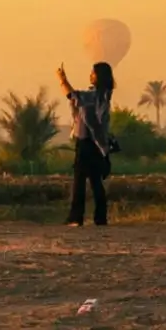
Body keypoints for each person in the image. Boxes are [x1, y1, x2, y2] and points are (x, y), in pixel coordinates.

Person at [56, 60, 115, 226]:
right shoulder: (104, 95)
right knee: (96, 181)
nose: (90, 75)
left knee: (80, 180)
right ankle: (100, 218)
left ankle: (76, 217)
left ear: (98, 76)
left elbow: (72, 95)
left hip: (87, 142)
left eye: (93, 72)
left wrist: (62, 79)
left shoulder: (93, 96)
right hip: (97, 143)